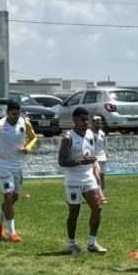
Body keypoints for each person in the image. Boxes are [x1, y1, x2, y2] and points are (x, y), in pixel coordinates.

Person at [0, 100, 38, 242]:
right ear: (7, 112)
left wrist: (28, 148)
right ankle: (12, 232)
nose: (16, 116)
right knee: (8, 196)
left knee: (14, 198)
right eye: (13, 114)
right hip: (4, 165)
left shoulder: (24, 123)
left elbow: (33, 137)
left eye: (18, 113)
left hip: (18, 165)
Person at [58, 108, 107, 255]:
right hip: (73, 179)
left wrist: (94, 166)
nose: (86, 122)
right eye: (82, 119)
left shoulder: (91, 134)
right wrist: (81, 161)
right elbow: (62, 161)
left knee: (97, 208)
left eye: (87, 119)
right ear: (74, 120)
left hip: (88, 177)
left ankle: (92, 243)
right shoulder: (68, 137)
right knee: (74, 212)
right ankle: (71, 244)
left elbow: (91, 156)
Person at [91, 114, 109, 204]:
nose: (98, 124)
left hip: (102, 157)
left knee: (102, 176)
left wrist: (106, 152)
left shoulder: (102, 133)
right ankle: (100, 196)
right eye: (96, 122)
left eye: (100, 122)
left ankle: (102, 192)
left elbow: (104, 144)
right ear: (93, 123)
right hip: (94, 158)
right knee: (96, 177)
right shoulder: (89, 133)